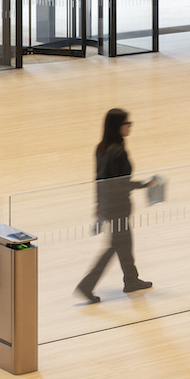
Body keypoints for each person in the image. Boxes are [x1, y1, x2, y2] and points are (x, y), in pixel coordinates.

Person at [75, 108, 152, 303]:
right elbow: (120, 183)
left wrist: (98, 204)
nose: (130, 128)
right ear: (119, 127)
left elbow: (99, 179)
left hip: (109, 205)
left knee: (124, 244)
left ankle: (131, 279)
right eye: (128, 124)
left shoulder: (101, 148)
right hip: (118, 206)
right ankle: (87, 285)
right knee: (115, 246)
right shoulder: (117, 151)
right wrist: (144, 184)